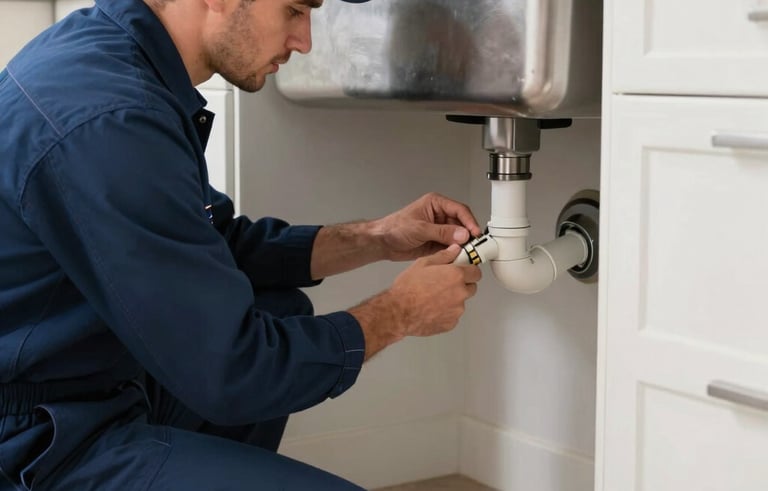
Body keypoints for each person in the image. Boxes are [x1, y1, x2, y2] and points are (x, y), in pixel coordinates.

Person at [0, 0, 483, 489]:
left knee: (279, 307)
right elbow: (234, 373)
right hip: (35, 439)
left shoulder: (119, 61)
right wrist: (400, 313)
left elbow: (218, 242)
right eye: (294, 10)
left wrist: (378, 237)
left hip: (90, 385)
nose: (305, 41)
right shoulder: (112, 118)